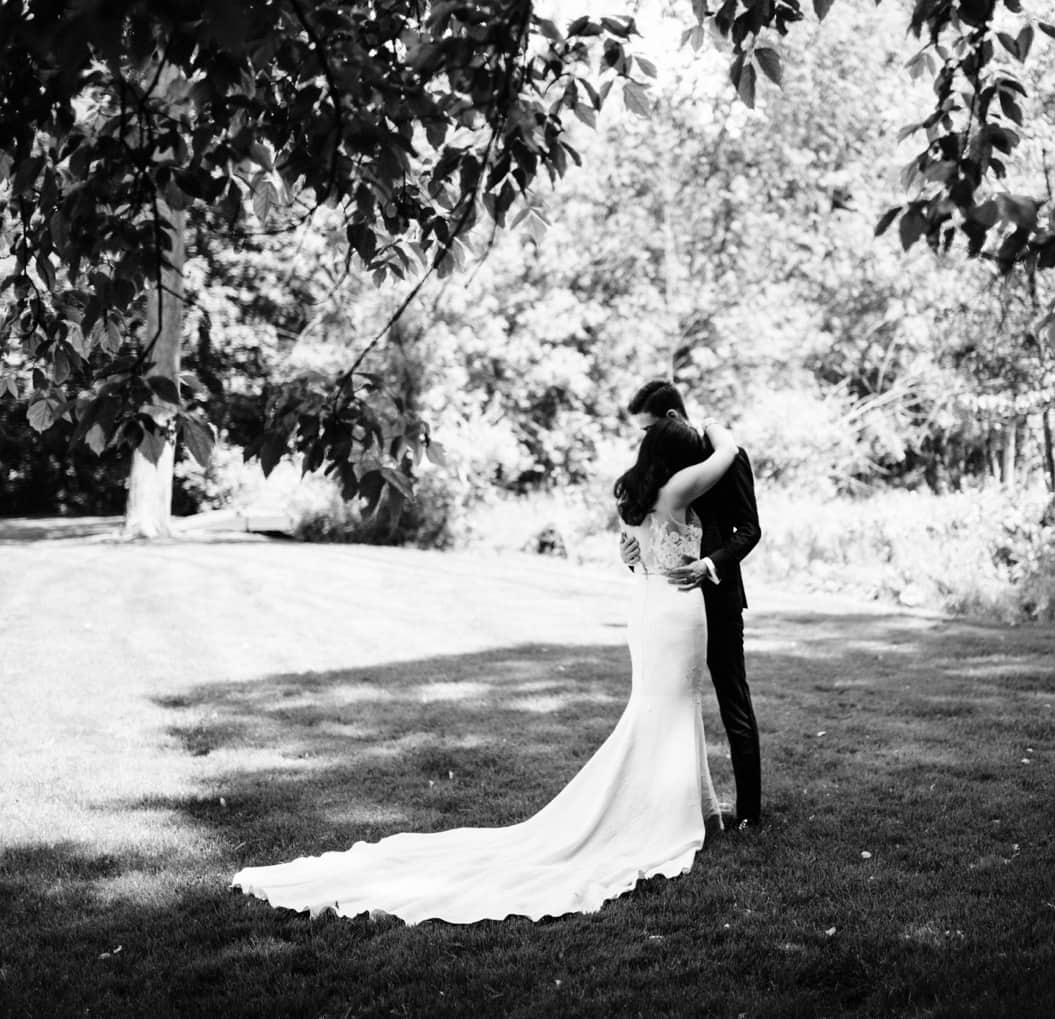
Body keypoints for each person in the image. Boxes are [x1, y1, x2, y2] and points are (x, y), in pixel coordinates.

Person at [232, 418, 739, 924]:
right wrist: (713, 427)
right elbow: (728, 452)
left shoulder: (636, 489)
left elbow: (637, 553)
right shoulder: (677, 487)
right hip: (675, 611)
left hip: (646, 606)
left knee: (663, 707)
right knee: (670, 706)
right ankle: (665, 819)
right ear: (678, 456)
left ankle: (693, 808)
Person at [621, 379, 763, 831]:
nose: (642, 442)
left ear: (670, 419)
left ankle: (749, 815)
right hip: (669, 607)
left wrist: (710, 565)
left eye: (645, 431)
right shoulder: (661, 463)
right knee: (665, 702)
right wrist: (630, 554)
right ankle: (668, 808)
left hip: (716, 596)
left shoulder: (729, 457)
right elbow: (646, 526)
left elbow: (748, 529)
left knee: (732, 702)